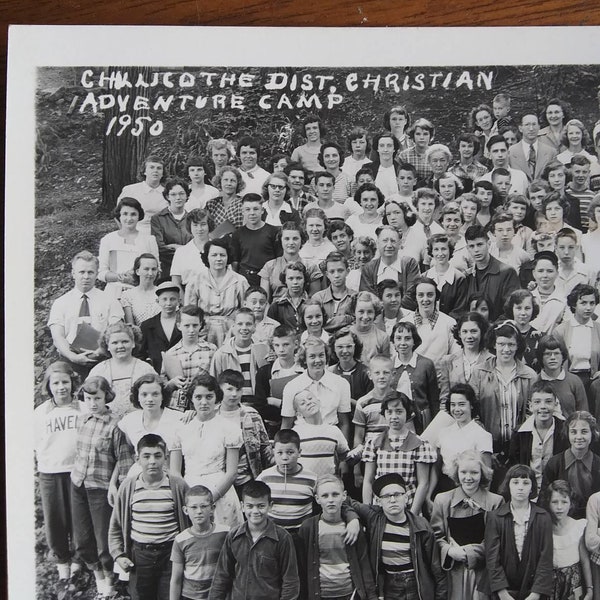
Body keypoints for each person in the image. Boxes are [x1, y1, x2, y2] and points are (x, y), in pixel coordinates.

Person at [70, 376, 134, 600]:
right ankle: (98, 581)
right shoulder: (82, 419)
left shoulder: (116, 425)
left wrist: (117, 487)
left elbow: (124, 461)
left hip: (101, 488)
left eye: (97, 398)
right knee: (82, 540)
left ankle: (110, 587)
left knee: (103, 541)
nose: (92, 403)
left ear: (106, 396)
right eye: (88, 398)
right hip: (78, 483)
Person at [108, 434, 189, 600]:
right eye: (146, 456)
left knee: (170, 595)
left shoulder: (178, 486)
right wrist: (118, 554)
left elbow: (191, 523)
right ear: (137, 459)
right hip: (140, 555)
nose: (152, 461)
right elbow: (116, 525)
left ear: (165, 458)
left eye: (157, 456)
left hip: (171, 554)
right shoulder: (128, 487)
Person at [346, 472, 447, 600]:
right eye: (387, 496)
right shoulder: (374, 518)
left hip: (415, 584)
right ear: (379, 501)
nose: (392, 500)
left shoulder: (421, 526)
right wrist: (352, 518)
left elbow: (436, 569)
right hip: (389, 585)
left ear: (406, 498)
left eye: (397, 495)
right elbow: (345, 500)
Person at [34, 361, 84, 598]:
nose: (61, 387)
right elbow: (34, 443)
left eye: (65, 382)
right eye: (56, 383)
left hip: (77, 473)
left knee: (78, 521)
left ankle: (77, 564)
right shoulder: (41, 412)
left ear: (73, 383)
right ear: (49, 385)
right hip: (50, 472)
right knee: (55, 521)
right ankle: (62, 568)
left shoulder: (83, 409)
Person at [208, 480, 300, 600]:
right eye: (250, 506)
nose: (255, 511)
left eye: (261, 506)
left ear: (270, 506)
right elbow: (221, 576)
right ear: (242, 506)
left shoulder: (283, 538)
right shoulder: (233, 536)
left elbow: (290, 582)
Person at [430, 450, 503, 600]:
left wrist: (469, 553)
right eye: (463, 472)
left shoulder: (495, 502)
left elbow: (498, 541)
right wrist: (449, 551)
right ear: (457, 473)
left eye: (474, 472)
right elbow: (435, 536)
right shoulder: (443, 500)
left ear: (482, 474)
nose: (468, 477)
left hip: (482, 574)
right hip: (452, 572)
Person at [469, 321, 537, 481]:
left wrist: (519, 444)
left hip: (520, 446)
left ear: (517, 345)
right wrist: (486, 446)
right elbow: (473, 411)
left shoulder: (529, 375)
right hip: (489, 444)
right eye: (501, 344)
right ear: (494, 343)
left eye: (511, 344)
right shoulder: (479, 372)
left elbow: (532, 411)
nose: (506, 349)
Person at [175, 372, 243, 527]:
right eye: (198, 397)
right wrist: (191, 499)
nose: (204, 402)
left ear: (217, 398)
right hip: (190, 491)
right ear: (191, 399)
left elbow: (232, 473)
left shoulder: (228, 428)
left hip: (220, 491)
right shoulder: (181, 428)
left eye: (209, 396)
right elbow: (174, 472)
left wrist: (210, 498)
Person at [297, 474, 378, 600]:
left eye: (335, 494)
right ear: (317, 499)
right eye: (325, 496)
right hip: (320, 594)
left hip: (349, 593)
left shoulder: (353, 528)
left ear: (344, 496)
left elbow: (364, 563)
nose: (330, 500)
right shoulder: (308, 528)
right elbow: (302, 568)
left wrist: (372, 596)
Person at [480, 465, 553, 599]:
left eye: (526, 483)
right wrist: (502, 593)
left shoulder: (543, 517)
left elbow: (545, 559)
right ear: (508, 485)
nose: (520, 487)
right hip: (503, 591)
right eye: (515, 482)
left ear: (532, 487)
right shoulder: (495, 517)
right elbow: (492, 558)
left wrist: (535, 594)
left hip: (533, 590)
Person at [47, 250, 124, 376]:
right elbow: (58, 336)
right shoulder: (61, 303)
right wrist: (72, 357)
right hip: (69, 361)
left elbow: (117, 330)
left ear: (96, 274)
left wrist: (101, 351)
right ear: (73, 273)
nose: (86, 277)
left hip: (103, 359)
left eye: (90, 272)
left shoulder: (110, 300)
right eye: (82, 272)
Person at [362, 392, 436, 514]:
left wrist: (413, 514)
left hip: (408, 508)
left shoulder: (419, 443)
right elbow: (368, 480)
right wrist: (368, 513)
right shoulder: (374, 443)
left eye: (399, 411)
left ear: (408, 413)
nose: (394, 416)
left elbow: (423, 483)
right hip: (380, 509)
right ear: (384, 413)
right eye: (389, 412)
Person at [281, 336, 352, 441]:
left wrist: (341, 451)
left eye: (321, 355)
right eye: (312, 356)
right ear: (304, 359)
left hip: (331, 439)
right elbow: (286, 424)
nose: (318, 360)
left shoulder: (341, 384)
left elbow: (344, 423)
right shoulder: (292, 386)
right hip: (302, 440)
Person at [169, 485, 230, 600]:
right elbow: (176, 580)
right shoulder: (181, 540)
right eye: (194, 507)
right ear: (185, 510)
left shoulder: (225, 533)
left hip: (217, 595)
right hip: (190, 596)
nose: (199, 512)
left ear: (212, 508)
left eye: (204, 506)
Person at [184, 239, 249, 346]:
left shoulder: (240, 281)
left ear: (228, 257)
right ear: (207, 257)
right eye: (214, 255)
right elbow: (190, 313)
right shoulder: (195, 281)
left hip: (232, 332)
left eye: (222, 255)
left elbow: (245, 311)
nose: (218, 259)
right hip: (203, 333)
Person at [217, 370, 274, 491]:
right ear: (219, 389)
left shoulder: (251, 414)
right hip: (220, 480)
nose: (234, 394)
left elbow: (265, 447)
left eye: (238, 390)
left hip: (248, 479)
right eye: (229, 389)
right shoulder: (213, 415)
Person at [118, 373, 185, 474]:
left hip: (166, 477)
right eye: (144, 395)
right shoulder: (129, 420)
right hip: (137, 476)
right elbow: (127, 452)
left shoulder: (178, 419)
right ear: (138, 397)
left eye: (155, 394)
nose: (150, 399)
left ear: (163, 396)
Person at [88, 321, 157, 419]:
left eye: (125, 341)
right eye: (115, 343)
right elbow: (88, 401)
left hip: (139, 421)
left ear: (133, 343)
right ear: (107, 346)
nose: (120, 346)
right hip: (106, 424)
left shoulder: (145, 369)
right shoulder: (98, 371)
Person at [256, 429, 319, 532]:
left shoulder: (312, 479)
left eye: (290, 452)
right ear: (273, 452)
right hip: (272, 534)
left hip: (300, 535)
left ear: (299, 452)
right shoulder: (264, 478)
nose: (285, 457)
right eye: (279, 453)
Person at [433, 383, 493, 493]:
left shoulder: (483, 435)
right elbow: (436, 469)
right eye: (453, 405)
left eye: (461, 404)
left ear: (471, 405)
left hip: (470, 487)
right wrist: (428, 496)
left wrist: (481, 502)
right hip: (444, 488)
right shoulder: (443, 433)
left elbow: (487, 476)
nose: (456, 409)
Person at [508, 381, 568, 489]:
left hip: (556, 491)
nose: (543, 406)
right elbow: (515, 467)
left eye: (548, 401)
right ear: (531, 406)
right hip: (529, 491)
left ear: (555, 404)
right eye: (537, 402)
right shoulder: (519, 433)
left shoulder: (565, 430)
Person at [98, 197, 160, 300]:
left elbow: (157, 271)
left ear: (139, 216)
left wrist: (138, 278)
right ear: (119, 216)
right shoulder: (108, 239)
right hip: (114, 293)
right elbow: (101, 273)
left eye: (133, 214)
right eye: (125, 214)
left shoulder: (149, 240)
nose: (129, 218)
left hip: (142, 292)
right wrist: (121, 278)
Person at [542, 411, 600, 519]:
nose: (579, 437)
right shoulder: (554, 463)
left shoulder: (598, 464)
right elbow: (544, 498)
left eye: (584, 431)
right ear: (567, 433)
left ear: (592, 433)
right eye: (573, 432)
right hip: (560, 522)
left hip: (592, 521)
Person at [542, 480, 594, 600]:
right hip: (550, 584)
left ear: (571, 504)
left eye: (564, 502)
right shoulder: (544, 528)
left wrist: (590, 590)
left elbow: (585, 561)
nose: (559, 507)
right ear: (548, 503)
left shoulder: (579, 527)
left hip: (573, 584)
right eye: (554, 502)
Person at [162, 305, 217, 412]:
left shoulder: (211, 350)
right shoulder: (171, 354)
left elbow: (217, 380)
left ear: (201, 325)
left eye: (195, 325)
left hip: (203, 406)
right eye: (187, 325)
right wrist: (172, 383)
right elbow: (163, 386)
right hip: (178, 407)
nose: (191, 330)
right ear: (179, 325)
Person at [390, 321, 440, 433]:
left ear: (414, 341)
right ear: (393, 341)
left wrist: (435, 426)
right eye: (398, 338)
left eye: (407, 338)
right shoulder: (389, 365)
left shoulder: (426, 364)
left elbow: (434, 400)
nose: (403, 343)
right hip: (396, 418)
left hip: (422, 419)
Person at [210, 308, 269, 401]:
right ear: (233, 326)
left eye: (249, 324)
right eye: (240, 324)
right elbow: (213, 383)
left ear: (254, 327)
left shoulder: (262, 350)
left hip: (258, 402)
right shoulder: (221, 354)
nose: (244, 328)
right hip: (231, 403)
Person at [464, 224, 520, 321]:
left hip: (497, 331)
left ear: (489, 244)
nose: (476, 250)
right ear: (467, 248)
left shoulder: (507, 272)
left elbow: (511, 310)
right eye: (472, 246)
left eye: (480, 244)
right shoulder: (468, 276)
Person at [555, 283, 600, 404]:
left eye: (592, 303)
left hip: (592, 379)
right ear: (574, 304)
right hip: (569, 378)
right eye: (583, 303)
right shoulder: (561, 330)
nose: (588, 308)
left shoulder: (598, 329)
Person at [438, 311, 492, 407]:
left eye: (474, 331)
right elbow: (444, 400)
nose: (469, 336)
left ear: (482, 332)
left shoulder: (492, 361)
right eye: (465, 331)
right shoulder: (448, 361)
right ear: (459, 334)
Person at [359, 225, 420, 310]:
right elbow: (367, 298)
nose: (389, 245)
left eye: (393, 241)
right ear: (377, 243)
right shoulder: (369, 268)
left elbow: (412, 296)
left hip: (405, 315)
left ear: (400, 243)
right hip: (377, 318)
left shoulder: (409, 264)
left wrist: (392, 312)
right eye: (385, 240)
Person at [292, 389, 350, 476]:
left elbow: (344, 455)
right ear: (299, 414)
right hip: (304, 481)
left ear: (318, 402)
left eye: (310, 398)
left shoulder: (333, 430)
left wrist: (344, 462)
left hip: (328, 482)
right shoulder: (296, 433)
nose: (308, 402)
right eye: (303, 403)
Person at [401, 277, 460, 363]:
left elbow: (456, 357)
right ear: (415, 297)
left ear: (436, 296)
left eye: (430, 295)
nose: (425, 299)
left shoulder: (449, 323)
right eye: (421, 295)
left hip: (441, 375)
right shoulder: (404, 323)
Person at [230, 193, 280, 286]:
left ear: (262, 210)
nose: (252, 213)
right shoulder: (238, 234)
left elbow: (279, 259)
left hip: (268, 278)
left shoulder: (273, 231)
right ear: (242, 211)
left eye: (256, 209)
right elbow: (235, 262)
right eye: (248, 209)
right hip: (245, 278)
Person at [536, 334, 589, 417]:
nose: (552, 357)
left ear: (563, 356)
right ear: (541, 357)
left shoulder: (574, 381)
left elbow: (584, 414)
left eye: (556, 353)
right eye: (547, 354)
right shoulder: (535, 381)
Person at [151, 178, 193, 277]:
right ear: (167, 196)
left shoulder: (192, 219)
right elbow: (160, 247)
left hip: (189, 267)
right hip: (167, 268)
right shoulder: (158, 219)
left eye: (182, 193)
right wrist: (185, 249)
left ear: (187, 195)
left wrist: (177, 247)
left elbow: (197, 245)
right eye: (173, 194)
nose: (178, 197)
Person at [139, 280, 182, 373]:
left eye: (172, 299)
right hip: (156, 373)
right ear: (157, 301)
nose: (168, 303)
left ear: (179, 301)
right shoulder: (148, 325)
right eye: (164, 299)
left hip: (181, 371)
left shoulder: (185, 323)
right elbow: (140, 354)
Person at [117, 155, 166, 235]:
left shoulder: (167, 193)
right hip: (135, 233)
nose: (155, 171)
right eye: (151, 167)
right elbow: (118, 214)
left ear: (163, 173)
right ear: (144, 171)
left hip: (161, 235)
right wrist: (126, 234)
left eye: (159, 168)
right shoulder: (130, 190)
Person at [424, 233, 468, 317]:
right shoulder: (424, 277)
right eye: (436, 249)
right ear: (431, 252)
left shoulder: (459, 278)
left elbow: (459, 310)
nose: (440, 253)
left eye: (443, 249)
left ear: (450, 250)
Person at [311, 251, 356, 331]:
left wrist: (328, 323)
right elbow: (315, 324)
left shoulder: (355, 297)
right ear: (327, 274)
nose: (336, 275)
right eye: (332, 272)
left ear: (347, 271)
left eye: (340, 270)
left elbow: (357, 325)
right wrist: (347, 319)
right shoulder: (318, 298)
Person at [170, 208, 213, 290]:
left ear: (209, 225)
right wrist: (185, 302)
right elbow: (176, 282)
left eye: (203, 224)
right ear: (190, 226)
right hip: (188, 296)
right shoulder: (181, 252)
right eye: (195, 225)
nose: (199, 229)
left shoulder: (218, 248)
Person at [328, 326, 373, 402]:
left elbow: (369, 403)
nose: (345, 351)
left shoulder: (366, 373)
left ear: (355, 347)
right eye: (340, 347)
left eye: (349, 346)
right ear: (334, 349)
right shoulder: (330, 372)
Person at [509, 112, 558, 180]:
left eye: (534, 124)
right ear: (520, 128)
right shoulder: (511, 152)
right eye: (527, 125)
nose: (531, 128)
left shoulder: (551, 152)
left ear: (539, 127)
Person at [503, 289, 541, 369]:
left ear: (533, 309)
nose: (523, 313)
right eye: (518, 308)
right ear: (511, 309)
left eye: (527, 308)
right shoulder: (503, 334)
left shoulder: (539, 336)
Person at [382, 198, 428, 264]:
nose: (392, 217)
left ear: (406, 214)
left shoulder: (419, 237)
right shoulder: (382, 238)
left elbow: (427, 266)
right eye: (388, 214)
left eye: (397, 213)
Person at [349, 291, 390, 364]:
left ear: (375, 313)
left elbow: (385, 364)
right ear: (353, 312)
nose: (365, 316)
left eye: (370, 312)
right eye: (361, 312)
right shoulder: (347, 334)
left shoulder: (382, 337)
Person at [267, 261, 309, 331]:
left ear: (304, 279)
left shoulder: (312, 303)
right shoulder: (276, 306)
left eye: (299, 278)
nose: (295, 282)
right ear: (285, 280)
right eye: (291, 278)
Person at [121, 253, 161, 326]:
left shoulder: (162, 292)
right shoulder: (128, 295)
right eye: (146, 269)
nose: (150, 273)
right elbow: (131, 326)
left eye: (154, 269)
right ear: (137, 271)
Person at [205, 166, 245, 231]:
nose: (229, 183)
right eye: (225, 180)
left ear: (238, 183)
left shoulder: (243, 203)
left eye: (232, 181)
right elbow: (207, 227)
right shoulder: (211, 204)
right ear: (220, 182)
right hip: (215, 240)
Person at [398, 117, 435, 184]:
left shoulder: (435, 154)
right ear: (413, 136)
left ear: (430, 136)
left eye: (425, 134)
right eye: (418, 134)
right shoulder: (405, 156)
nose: (421, 137)